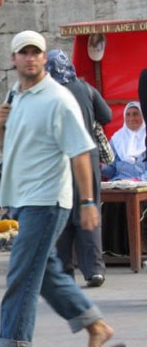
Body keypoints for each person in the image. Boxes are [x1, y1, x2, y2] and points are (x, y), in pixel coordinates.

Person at [0, 31, 126, 347]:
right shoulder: (14, 95)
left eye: (36, 52)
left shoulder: (59, 99)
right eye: (23, 53)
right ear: (14, 59)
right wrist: (1, 127)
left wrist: (89, 201)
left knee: (20, 272)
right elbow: (15, 145)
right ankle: (96, 327)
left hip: (47, 200)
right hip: (22, 197)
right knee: (44, 273)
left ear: (44, 58)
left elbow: (80, 151)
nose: (30, 58)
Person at [45, 49, 112, 288]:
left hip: (60, 159)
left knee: (62, 211)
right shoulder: (85, 89)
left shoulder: (49, 93)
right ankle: (94, 270)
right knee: (89, 208)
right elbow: (107, 115)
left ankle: (64, 270)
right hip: (88, 157)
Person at [102, 102, 146, 181]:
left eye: (135, 114)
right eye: (128, 115)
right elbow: (111, 169)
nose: (131, 118)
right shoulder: (116, 139)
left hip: (143, 185)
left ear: (143, 116)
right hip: (119, 183)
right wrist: (99, 168)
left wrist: (140, 181)